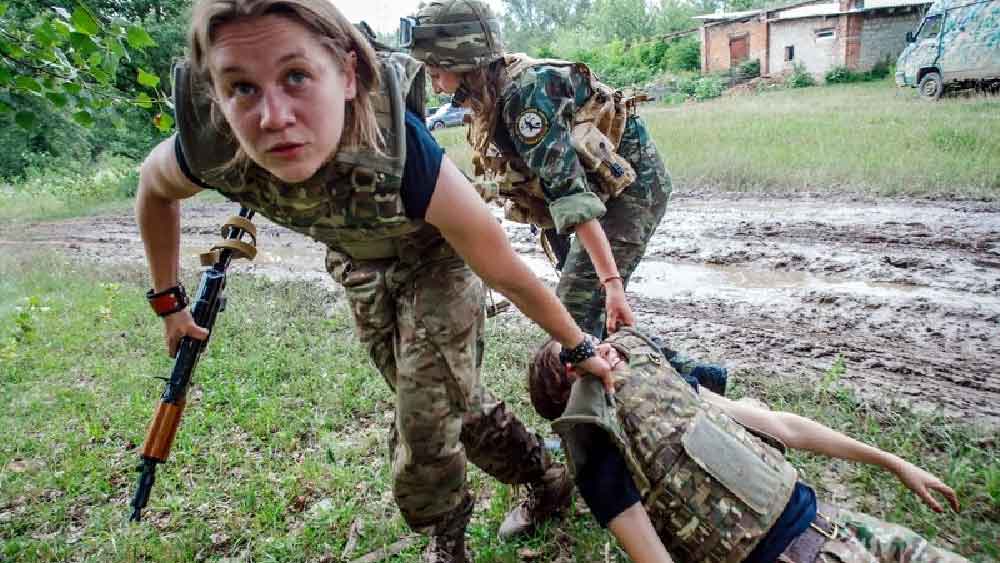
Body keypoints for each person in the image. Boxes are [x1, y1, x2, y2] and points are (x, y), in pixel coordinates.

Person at [134, 1, 618, 561]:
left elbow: (500, 266)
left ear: (346, 74)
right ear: (215, 94)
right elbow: (154, 189)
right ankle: (544, 475)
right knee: (450, 403)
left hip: (436, 262)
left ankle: (447, 535)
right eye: (241, 87)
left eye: (296, 77)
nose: (273, 116)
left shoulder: (401, 150)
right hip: (358, 265)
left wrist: (578, 344)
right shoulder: (211, 144)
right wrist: (170, 302)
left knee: (423, 424)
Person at [528, 328, 969, 563]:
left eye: (586, 339)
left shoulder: (665, 392)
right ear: (572, 383)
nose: (598, 347)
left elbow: (782, 427)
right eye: (575, 353)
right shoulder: (598, 452)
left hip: (840, 526)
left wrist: (891, 462)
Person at [405, 0, 673, 344]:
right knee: (586, 313)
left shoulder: (525, 97)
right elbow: (515, 177)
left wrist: (612, 283)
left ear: (462, 61)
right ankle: (694, 379)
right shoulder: (488, 97)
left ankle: (673, 386)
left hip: (632, 192)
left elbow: (571, 194)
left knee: (572, 321)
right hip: (591, 197)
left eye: (435, 71)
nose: (435, 83)